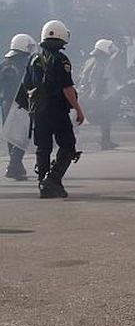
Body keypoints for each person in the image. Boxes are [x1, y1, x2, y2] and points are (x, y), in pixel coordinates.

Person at [19, 20, 85, 199]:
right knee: (68, 145)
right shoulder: (61, 59)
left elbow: (26, 85)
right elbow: (67, 87)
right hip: (57, 110)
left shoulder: (33, 58)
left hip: (38, 111)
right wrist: (78, 109)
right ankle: (53, 179)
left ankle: (43, 184)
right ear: (62, 36)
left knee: (43, 147)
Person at [1, 34, 36, 180]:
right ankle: (13, 166)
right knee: (22, 135)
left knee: (10, 134)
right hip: (22, 102)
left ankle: (17, 165)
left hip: (5, 103)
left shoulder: (4, 63)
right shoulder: (27, 63)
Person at [79, 38, 121, 150]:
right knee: (105, 117)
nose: (111, 50)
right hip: (94, 95)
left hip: (89, 94)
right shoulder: (99, 62)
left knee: (105, 117)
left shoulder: (94, 60)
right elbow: (95, 79)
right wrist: (96, 93)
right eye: (109, 48)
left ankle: (105, 141)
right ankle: (105, 142)